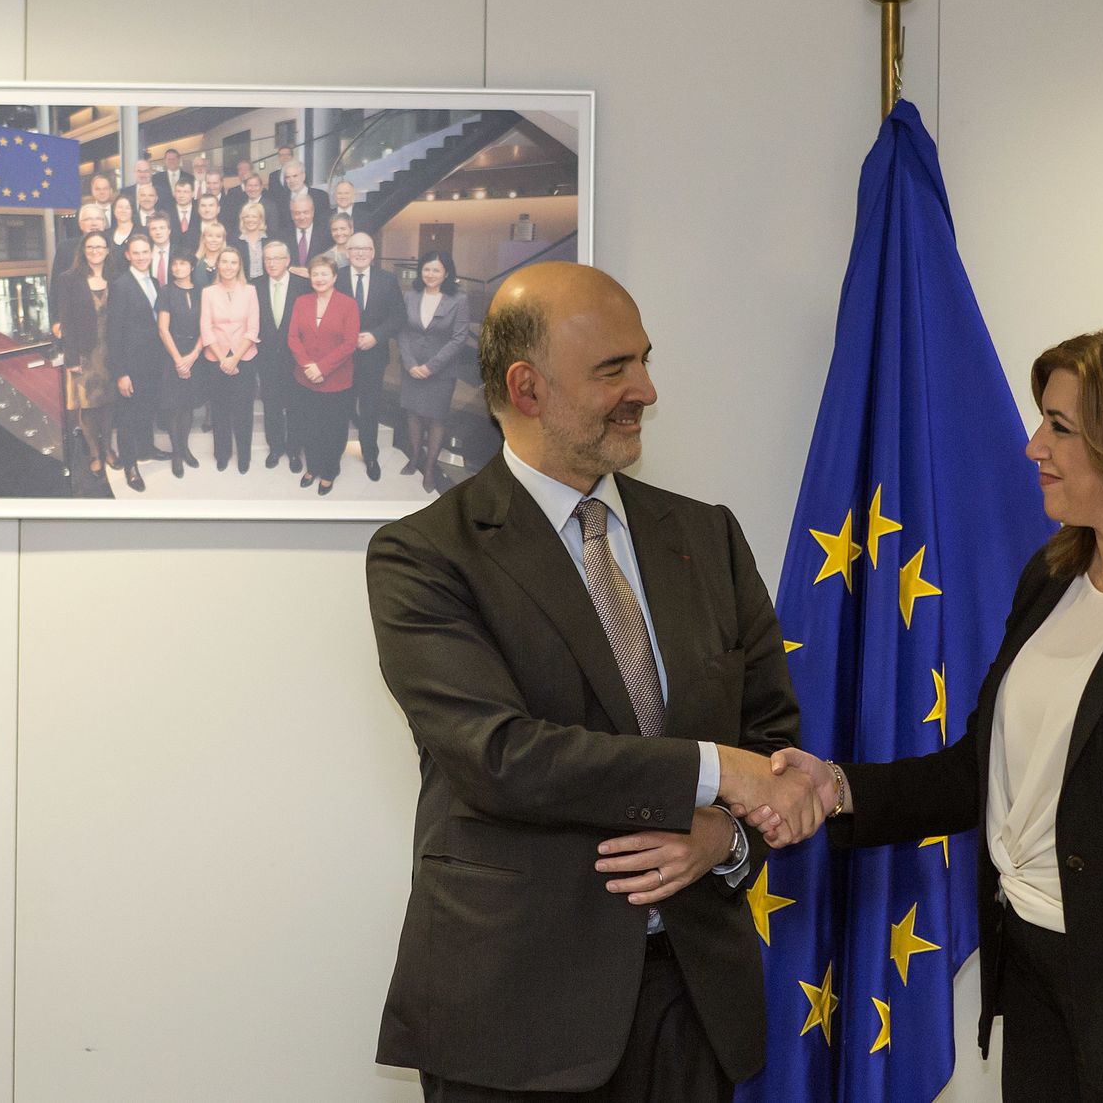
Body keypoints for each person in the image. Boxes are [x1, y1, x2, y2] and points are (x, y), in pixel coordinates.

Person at [754, 323, 1103, 1103]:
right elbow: (979, 770)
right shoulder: (1051, 580)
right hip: (1038, 975)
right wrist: (840, 787)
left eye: (1059, 426)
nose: (1033, 447)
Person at [364, 261, 823, 1102]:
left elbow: (772, 744)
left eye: (643, 360)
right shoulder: (425, 556)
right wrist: (715, 771)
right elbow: (499, 756)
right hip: (516, 1015)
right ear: (527, 388)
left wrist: (726, 838)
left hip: (694, 1000)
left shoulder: (709, 537)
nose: (645, 389)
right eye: (614, 369)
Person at [397, 249, 469, 493]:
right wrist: (410, 364)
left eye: (436, 270)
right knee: (413, 415)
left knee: (437, 419)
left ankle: (429, 469)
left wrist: (431, 367)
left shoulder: (459, 299)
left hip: (441, 372)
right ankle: (415, 458)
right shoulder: (410, 296)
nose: (430, 274)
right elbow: (402, 331)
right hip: (412, 368)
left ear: (446, 273)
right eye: (426, 269)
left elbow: (459, 338)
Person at [286, 255, 358, 495]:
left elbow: (349, 343)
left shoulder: (348, 304)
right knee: (309, 425)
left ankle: (329, 471)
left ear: (334, 277)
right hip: (305, 377)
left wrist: (322, 368)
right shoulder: (301, 301)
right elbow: (293, 337)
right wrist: (308, 365)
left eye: (324, 274)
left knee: (333, 429)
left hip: (336, 380)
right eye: (315, 274)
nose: (319, 278)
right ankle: (313, 466)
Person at [52, 230, 115, 478]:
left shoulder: (115, 277)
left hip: (110, 352)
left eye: (100, 247)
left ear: (107, 251)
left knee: (109, 403)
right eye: (90, 247)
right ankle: (95, 453)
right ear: (83, 251)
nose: (95, 251)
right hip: (84, 353)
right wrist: (71, 358)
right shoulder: (69, 279)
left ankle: (108, 448)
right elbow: (66, 320)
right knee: (87, 406)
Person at [338, 232, 400, 481]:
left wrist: (376, 335)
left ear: (373, 253)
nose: (360, 253)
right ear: (347, 252)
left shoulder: (388, 280)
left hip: (374, 356)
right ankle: (334, 452)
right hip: (342, 358)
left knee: (370, 408)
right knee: (340, 406)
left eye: (366, 248)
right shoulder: (337, 277)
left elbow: (398, 316)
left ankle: (370, 455)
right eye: (355, 248)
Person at [106, 234, 166, 492]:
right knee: (128, 418)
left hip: (153, 361)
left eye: (145, 252)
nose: (141, 257)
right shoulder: (120, 285)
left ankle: (147, 448)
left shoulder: (155, 282)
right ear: (128, 255)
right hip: (130, 365)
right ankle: (130, 466)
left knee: (147, 410)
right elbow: (113, 332)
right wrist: (121, 373)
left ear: (151, 254)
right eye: (136, 253)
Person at [200, 245, 260, 473]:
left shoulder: (250, 291)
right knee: (220, 409)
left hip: (244, 358)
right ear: (218, 265)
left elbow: (253, 329)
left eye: (233, 262)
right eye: (224, 261)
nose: (228, 266)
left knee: (244, 411)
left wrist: (234, 359)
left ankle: (244, 456)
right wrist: (222, 359)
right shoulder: (208, 292)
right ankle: (222, 454)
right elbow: (206, 329)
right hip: (216, 358)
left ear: (239, 266)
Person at [255, 240, 308, 472]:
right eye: (267, 259)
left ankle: (294, 450)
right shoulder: (254, 285)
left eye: (277, 258)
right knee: (271, 405)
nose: (272, 263)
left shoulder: (303, 285)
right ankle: (275, 448)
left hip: (295, 358)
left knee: (296, 406)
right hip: (266, 358)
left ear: (287, 261)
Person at [154, 249, 204, 478]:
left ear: (192, 267)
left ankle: (185, 448)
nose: (178, 268)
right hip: (172, 354)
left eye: (183, 264)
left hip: (196, 354)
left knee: (188, 405)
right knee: (174, 406)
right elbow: (163, 329)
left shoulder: (202, 291)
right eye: (174, 264)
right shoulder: (166, 291)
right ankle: (176, 453)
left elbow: (207, 326)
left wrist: (193, 356)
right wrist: (178, 360)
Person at [284, 191, 324, 275]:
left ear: (312, 211)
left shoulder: (325, 234)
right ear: (292, 214)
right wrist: (291, 269)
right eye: (297, 213)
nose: (302, 217)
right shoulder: (283, 235)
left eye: (306, 212)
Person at [234, 203, 269, 281]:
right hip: (243, 284)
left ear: (261, 219)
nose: (250, 220)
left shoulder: (269, 241)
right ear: (242, 219)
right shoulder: (235, 242)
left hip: (265, 284)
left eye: (254, 216)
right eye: (247, 216)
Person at [192, 221, 228, 289]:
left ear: (223, 240)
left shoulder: (228, 262)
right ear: (203, 238)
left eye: (218, 236)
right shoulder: (194, 261)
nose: (214, 240)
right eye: (210, 236)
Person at [107, 194, 138, 258]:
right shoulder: (107, 234)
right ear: (114, 210)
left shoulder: (143, 232)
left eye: (127, 208)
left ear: (132, 211)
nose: (123, 211)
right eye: (120, 207)